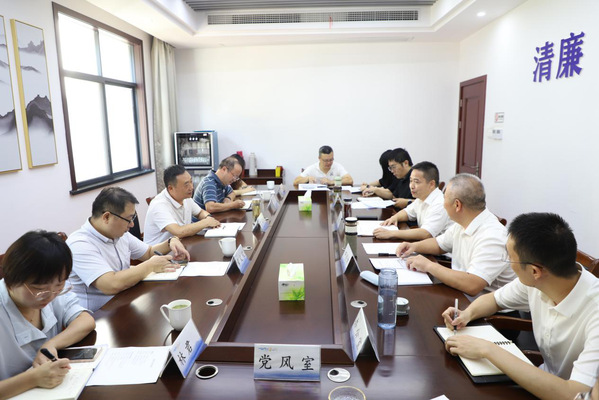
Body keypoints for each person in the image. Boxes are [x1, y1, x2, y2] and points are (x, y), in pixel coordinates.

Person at [442, 213, 599, 400]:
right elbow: (494, 300)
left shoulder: (594, 310)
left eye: (510, 258)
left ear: (535, 271)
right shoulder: (539, 281)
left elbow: (574, 394)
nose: (509, 263)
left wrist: (488, 350)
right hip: (537, 381)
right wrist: (466, 314)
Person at [0, 231, 95, 398]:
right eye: (39, 289)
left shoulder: (51, 289)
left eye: (60, 285)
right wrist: (32, 379)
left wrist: (51, 344)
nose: (50, 296)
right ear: (11, 279)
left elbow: (85, 320)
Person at [67, 187, 190, 311]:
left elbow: (148, 252)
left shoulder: (119, 234)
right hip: (99, 315)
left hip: (125, 301)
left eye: (133, 218)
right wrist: (150, 266)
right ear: (106, 217)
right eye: (129, 219)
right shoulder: (80, 244)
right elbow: (111, 284)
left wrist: (170, 242)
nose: (132, 224)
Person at [396, 173, 515, 297]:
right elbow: (439, 244)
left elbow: (472, 285)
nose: (443, 204)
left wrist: (429, 266)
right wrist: (414, 246)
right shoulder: (464, 221)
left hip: (481, 305)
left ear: (457, 205)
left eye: (444, 198)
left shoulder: (492, 236)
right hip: (459, 293)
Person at [373, 161, 452, 241]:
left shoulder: (440, 204)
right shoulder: (422, 197)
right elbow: (407, 212)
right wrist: (394, 218)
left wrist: (391, 233)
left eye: (416, 182)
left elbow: (425, 233)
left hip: (439, 248)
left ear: (431, 184)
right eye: (411, 181)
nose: (412, 186)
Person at [144, 165, 221, 245]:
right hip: (161, 251)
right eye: (186, 185)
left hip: (182, 245)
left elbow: (200, 212)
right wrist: (205, 223)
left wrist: (208, 217)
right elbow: (178, 232)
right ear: (170, 188)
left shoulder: (185, 197)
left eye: (191, 181)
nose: (191, 187)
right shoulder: (159, 205)